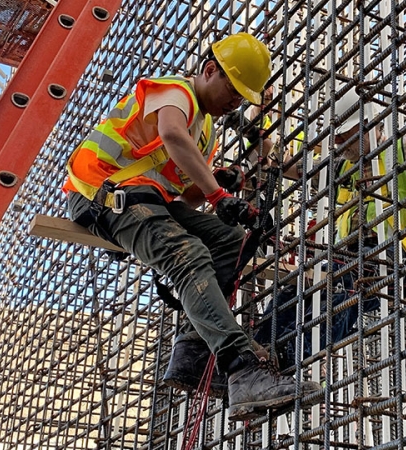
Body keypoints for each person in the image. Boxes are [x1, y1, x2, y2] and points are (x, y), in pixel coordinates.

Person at [62, 32, 319, 421]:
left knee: (231, 240)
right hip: (103, 193)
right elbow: (170, 135)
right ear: (210, 70)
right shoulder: (176, 91)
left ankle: (194, 353)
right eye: (233, 91)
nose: (235, 103)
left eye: (242, 98)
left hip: (149, 203)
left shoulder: (205, 133)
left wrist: (219, 183)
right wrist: (218, 195)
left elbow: (183, 200)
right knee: (188, 254)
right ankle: (241, 369)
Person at [254, 87, 406, 369]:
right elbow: (285, 165)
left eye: (345, 134)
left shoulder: (404, 147)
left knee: (343, 283)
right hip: (354, 260)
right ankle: (257, 356)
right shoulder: (343, 167)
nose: (338, 141)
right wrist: (257, 123)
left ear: (368, 124)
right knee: (296, 285)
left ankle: (289, 359)